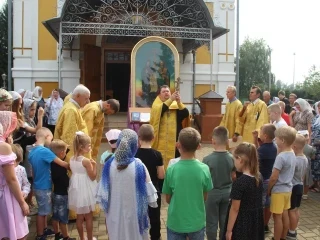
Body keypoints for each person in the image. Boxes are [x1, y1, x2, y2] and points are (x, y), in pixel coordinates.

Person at [98, 129, 158, 240]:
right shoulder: (139, 165)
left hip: (114, 215)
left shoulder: (108, 165)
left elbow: (103, 194)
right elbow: (151, 197)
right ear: (135, 145)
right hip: (134, 217)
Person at [162, 127, 212, 239]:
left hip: (176, 222)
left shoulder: (171, 169)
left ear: (178, 145)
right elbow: (204, 197)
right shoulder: (204, 169)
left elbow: (168, 199)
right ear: (198, 146)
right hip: (197, 222)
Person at [28, 127, 69, 240]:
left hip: (37, 184)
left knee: (44, 209)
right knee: (42, 212)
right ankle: (40, 235)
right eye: (51, 138)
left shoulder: (32, 151)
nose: (51, 142)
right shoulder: (44, 151)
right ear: (46, 137)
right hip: (44, 186)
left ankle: (45, 229)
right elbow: (62, 163)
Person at [223, 143, 264, 240]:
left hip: (241, 223)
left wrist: (229, 230)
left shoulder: (240, 182)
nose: (234, 163)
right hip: (255, 221)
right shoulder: (259, 177)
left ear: (240, 159)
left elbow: (235, 209)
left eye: (235, 160)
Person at [0, 111, 30, 240]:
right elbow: (11, 179)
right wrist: (22, 202)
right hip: (7, 195)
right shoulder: (4, 147)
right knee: (16, 234)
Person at [203, 126, 236, 240]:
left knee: (211, 221)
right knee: (224, 220)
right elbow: (234, 176)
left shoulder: (207, 159)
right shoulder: (232, 158)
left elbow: (205, 179)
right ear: (227, 141)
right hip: (227, 192)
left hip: (212, 193)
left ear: (213, 141)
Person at [135, 124, 165, 240]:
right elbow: (161, 175)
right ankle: (155, 236)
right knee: (155, 217)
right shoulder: (157, 154)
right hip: (153, 190)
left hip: (138, 190)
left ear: (139, 137)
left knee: (139, 215)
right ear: (153, 137)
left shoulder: (135, 154)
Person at [150, 85, 190, 169]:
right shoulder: (156, 105)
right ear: (159, 95)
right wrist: (171, 100)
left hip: (174, 140)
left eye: (167, 91)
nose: (166, 93)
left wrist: (179, 102)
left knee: (175, 162)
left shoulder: (175, 105)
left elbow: (185, 114)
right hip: (160, 140)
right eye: (163, 92)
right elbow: (162, 109)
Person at [268, 126, 297, 240]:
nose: (275, 140)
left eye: (277, 138)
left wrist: (269, 189)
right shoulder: (292, 153)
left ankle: (276, 238)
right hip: (288, 190)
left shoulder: (281, 157)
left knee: (277, 218)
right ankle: (283, 237)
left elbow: (274, 177)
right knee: (285, 214)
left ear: (283, 140)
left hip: (278, 190)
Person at [68, 132, 98, 240]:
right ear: (81, 147)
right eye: (89, 145)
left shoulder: (71, 159)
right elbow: (93, 177)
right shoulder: (85, 161)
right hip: (86, 189)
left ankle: (82, 238)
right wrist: (94, 166)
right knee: (89, 217)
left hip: (76, 190)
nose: (90, 147)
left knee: (79, 217)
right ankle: (89, 238)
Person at [54, 84, 90, 165]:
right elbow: (69, 136)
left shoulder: (73, 107)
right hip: (72, 155)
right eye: (86, 98)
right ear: (77, 96)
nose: (88, 102)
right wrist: (76, 158)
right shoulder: (71, 110)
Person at [252, 124, 277, 233]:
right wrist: (255, 139)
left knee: (261, 204)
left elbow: (254, 155)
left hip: (262, 180)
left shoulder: (262, 150)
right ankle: (265, 225)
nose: (260, 135)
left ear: (265, 136)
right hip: (270, 179)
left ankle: (260, 224)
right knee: (268, 204)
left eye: (261, 133)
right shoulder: (274, 147)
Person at [50, 140, 75, 240]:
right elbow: (66, 181)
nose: (66, 153)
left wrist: (65, 148)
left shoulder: (53, 163)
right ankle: (66, 237)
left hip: (55, 193)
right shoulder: (60, 167)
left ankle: (57, 234)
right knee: (63, 218)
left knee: (55, 216)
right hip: (63, 195)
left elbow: (62, 153)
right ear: (61, 153)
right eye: (65, 151)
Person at [287, 134, 308, 240]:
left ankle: (291, 232)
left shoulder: (295, 160)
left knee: (291, 211)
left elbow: (290, 173)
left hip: (294, 187)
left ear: (294, 147)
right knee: (296, 209)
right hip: (300, 185)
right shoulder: (304, 158)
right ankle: (293, 228)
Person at [298, 130, 315, 199]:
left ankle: (299, 192)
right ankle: (305, 194)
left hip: (299, 164)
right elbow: (313, 157)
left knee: (299, 178)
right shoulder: (310, 148)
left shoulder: (297, 146)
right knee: (306, 180)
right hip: (307, 165)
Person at [310, 102, 320, 193]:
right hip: (314, 145)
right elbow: (312, 128)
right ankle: (315, 183)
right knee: (314, 165)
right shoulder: (316, 117)